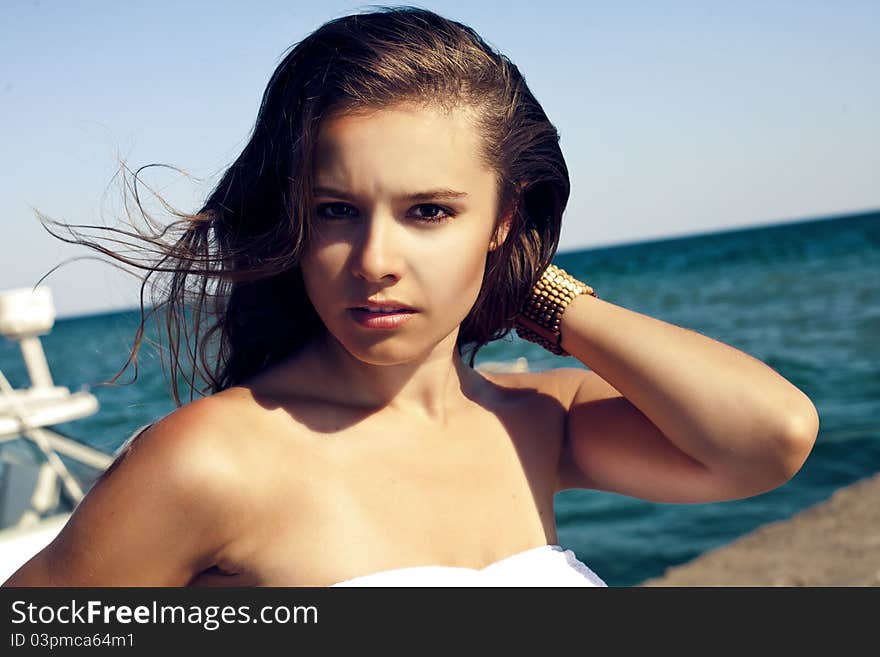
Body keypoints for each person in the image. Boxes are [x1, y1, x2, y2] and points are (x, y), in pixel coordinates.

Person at [3, 6, 818, 587]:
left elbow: (766, 437)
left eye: (430, 212)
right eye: (335, 212)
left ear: (504, 217)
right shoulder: (211, 461)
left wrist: (536, 294)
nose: (375, 259)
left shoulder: (534, 422)